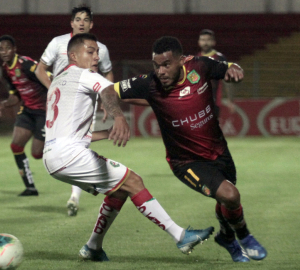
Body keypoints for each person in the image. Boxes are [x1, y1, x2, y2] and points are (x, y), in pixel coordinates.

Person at [43, 33, 214, 261]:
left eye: (97, 51)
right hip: (68, 156)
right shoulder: (83, 75)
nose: (96, 56)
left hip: (54, 156)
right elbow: (109, 91)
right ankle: (181, 236)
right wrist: (119, 117)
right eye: (90, 51)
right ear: (72, 55)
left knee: (121, 188)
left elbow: (71, 133)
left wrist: (105, 132)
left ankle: (93, 247)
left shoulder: (57, 81)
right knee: (133, 181)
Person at [113, 36, 267, 263]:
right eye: (157, 65)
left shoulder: (200, 66)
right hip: (186, 162)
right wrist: (117, 116)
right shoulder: (150, 83)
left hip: (218, 150)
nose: (161, 71)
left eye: (166, 65)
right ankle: (244, 236)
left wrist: (235, 69)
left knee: (227, 199)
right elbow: (109, 90)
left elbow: (227, 67)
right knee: (230, 195)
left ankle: (226, 237)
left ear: (182, 60)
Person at [35, 4, 113, 216]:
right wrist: (54, 89)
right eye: (77, 19)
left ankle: (74, 196)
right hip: (59, 107)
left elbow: (107, 74)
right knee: (41, 149)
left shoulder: (101, 49)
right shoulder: (58, 43)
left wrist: (106, 101)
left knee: (79, 146)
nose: (81, 23)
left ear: (91, 24)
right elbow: (40, 69)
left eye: (85, 20)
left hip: (84, 104)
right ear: (71, 23)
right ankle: (87, 185)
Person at [0, 35, 49, 196]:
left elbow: (48, 77)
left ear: (14, 49)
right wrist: (3, 104)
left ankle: (62, 149)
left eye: (7, 48)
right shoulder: (6, 69)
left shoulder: (26, 64)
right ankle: (30, 188)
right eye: (1, 49)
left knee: (37, 154)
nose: (4, 52)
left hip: (44, 112)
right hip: (27, 111)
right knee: (16, 146)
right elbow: (15, 95)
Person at [197, 29, 235, 117]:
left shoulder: (219, 58)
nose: (205, 43)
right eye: (203, 40)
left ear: (213, 42)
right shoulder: (195, 59)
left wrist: (230, 100)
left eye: (208, 40)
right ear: (199, 42)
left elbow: (227, 80)